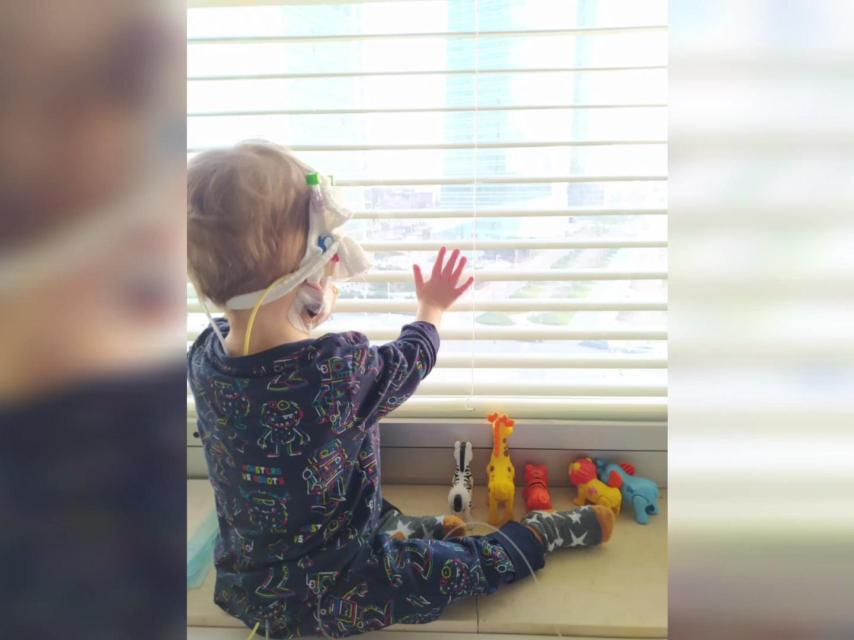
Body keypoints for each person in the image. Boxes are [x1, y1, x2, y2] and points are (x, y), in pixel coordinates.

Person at [187, 141, 614, 638]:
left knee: (369, 520)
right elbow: (411, 361)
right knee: (451, 573)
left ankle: (410, 531)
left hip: (250, 581)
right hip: (340, 579)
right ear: (309, 277)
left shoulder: (204, 357)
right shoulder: (334, 371)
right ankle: (535, 535)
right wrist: (431, 308)